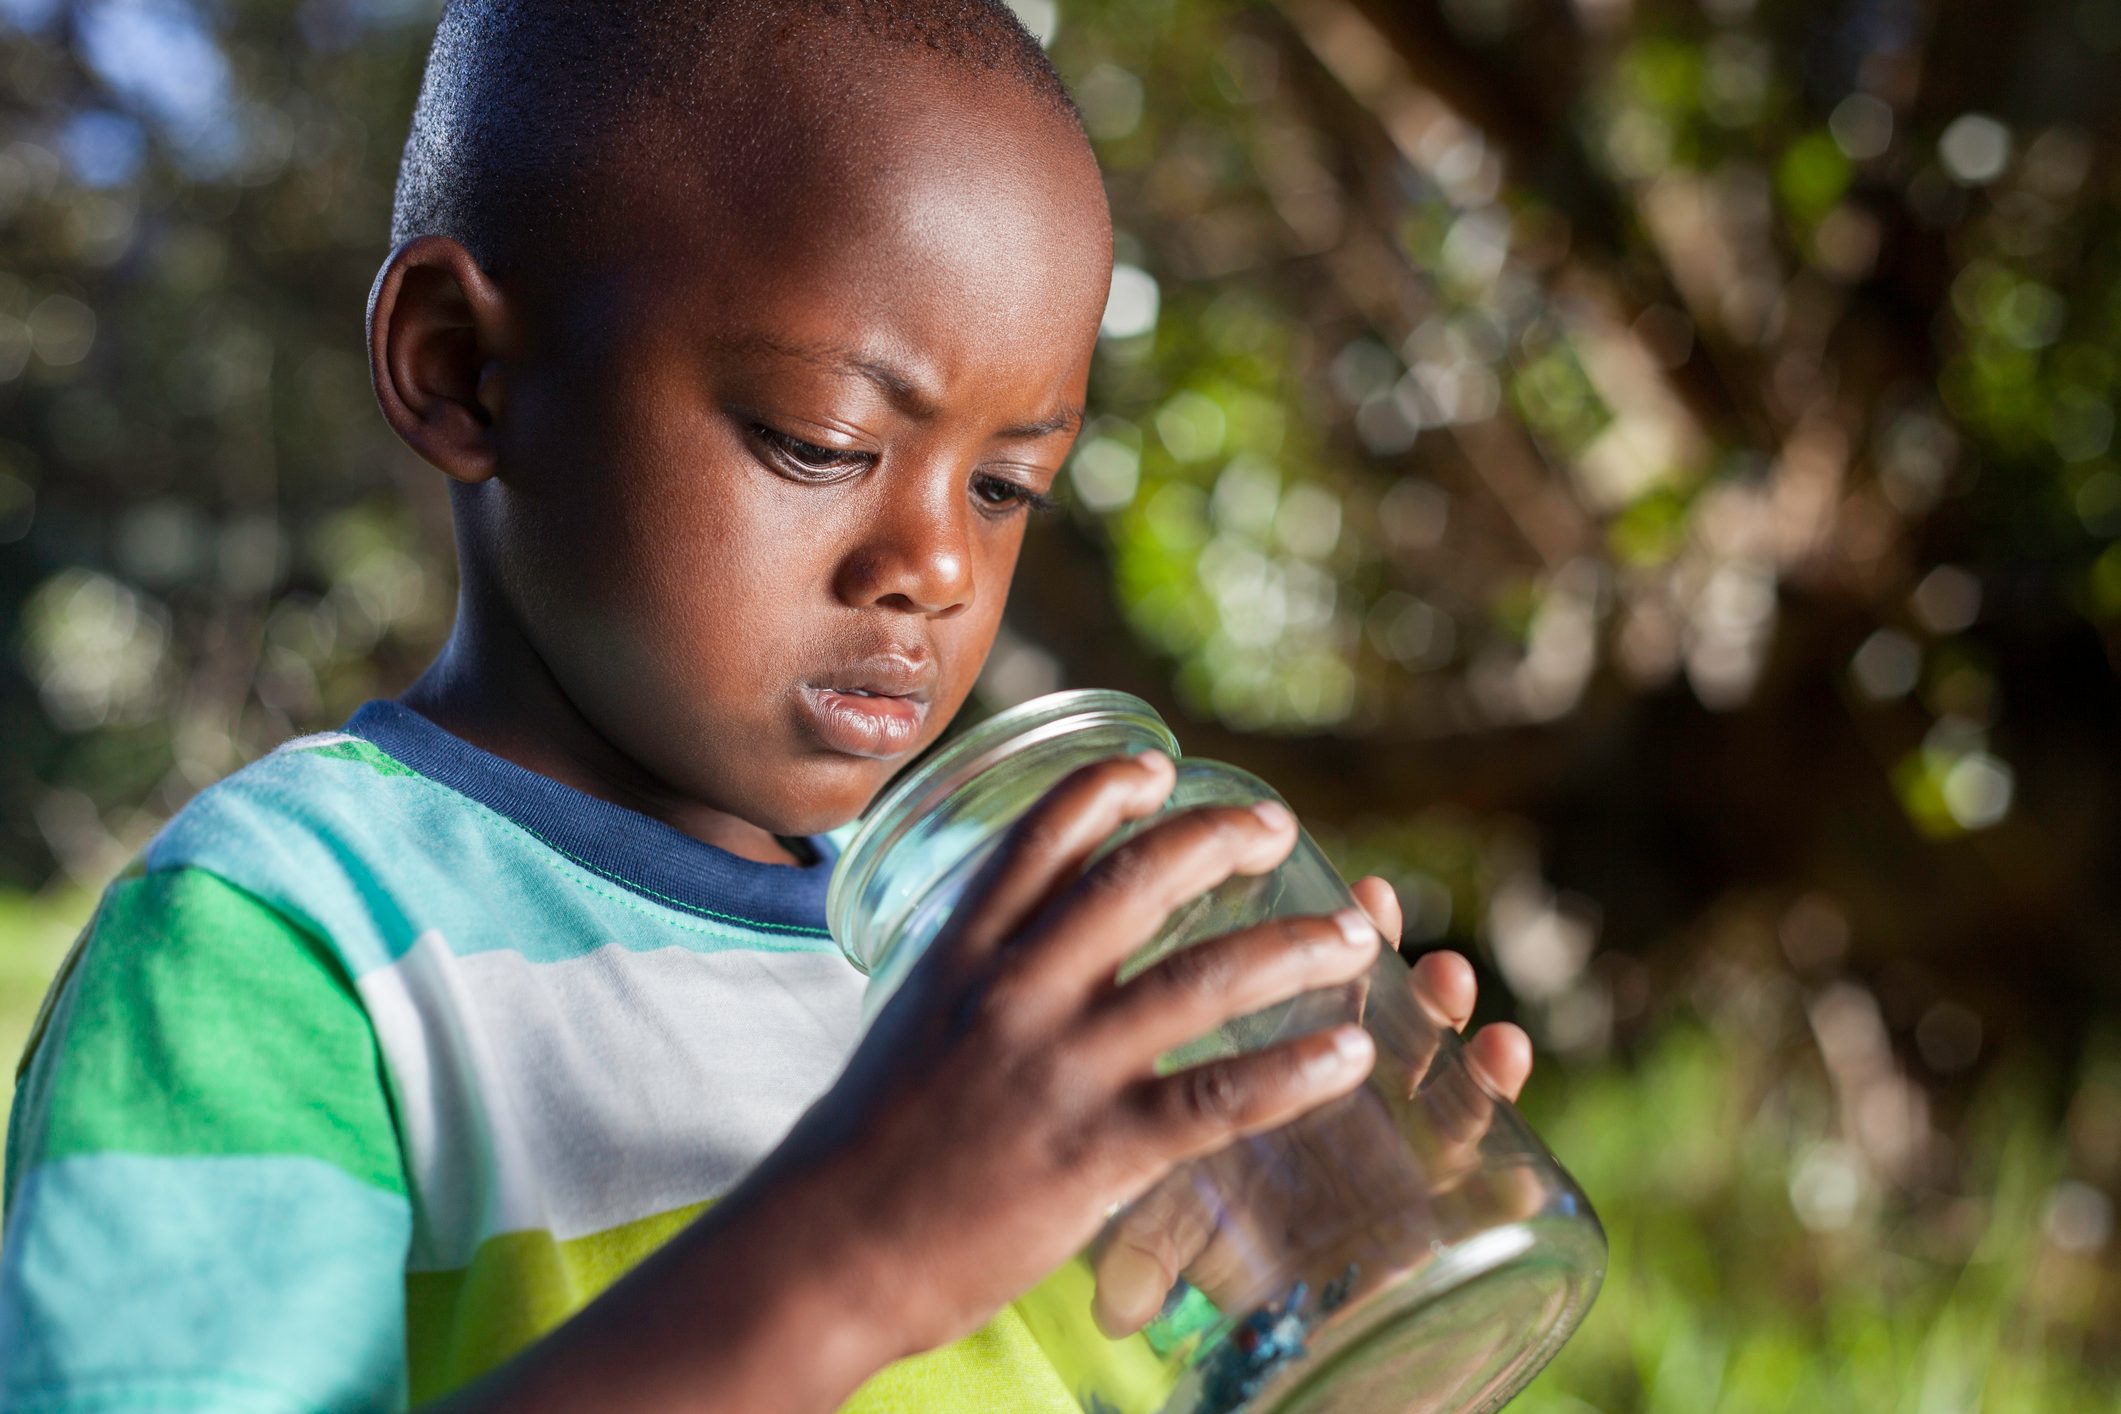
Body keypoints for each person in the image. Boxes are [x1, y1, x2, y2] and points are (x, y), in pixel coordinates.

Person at [0, 2, 1534, 1410]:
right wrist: (857, 1251)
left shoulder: (981, 972)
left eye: (1005, 486)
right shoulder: (282, 938)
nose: (934, 564)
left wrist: (1299, 1288)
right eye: (818, 440)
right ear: (465, 370)